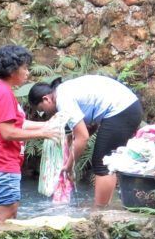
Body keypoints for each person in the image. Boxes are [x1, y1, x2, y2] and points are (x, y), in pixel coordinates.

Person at [28, 75, 142, 207]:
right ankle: (104, 205)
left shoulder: (62, 100)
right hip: (128, 107)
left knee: (102, 163)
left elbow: (83, 138)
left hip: (122, 110)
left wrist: (69, 166)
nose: (46, 114)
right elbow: (89, 128)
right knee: (106, 161)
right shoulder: (63, 90)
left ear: (46, 99)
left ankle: (99, 210)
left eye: (42, 110)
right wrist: (73, 137)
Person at [0, 45, 60, 223]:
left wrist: (44, 126)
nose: (27, 72)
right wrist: (44, 133)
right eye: (25, 68)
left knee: (8, 213)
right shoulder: (4, 93)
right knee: (6, 216)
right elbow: (7, 132)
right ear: (13, 70)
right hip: (0, 162)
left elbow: (17, 123)